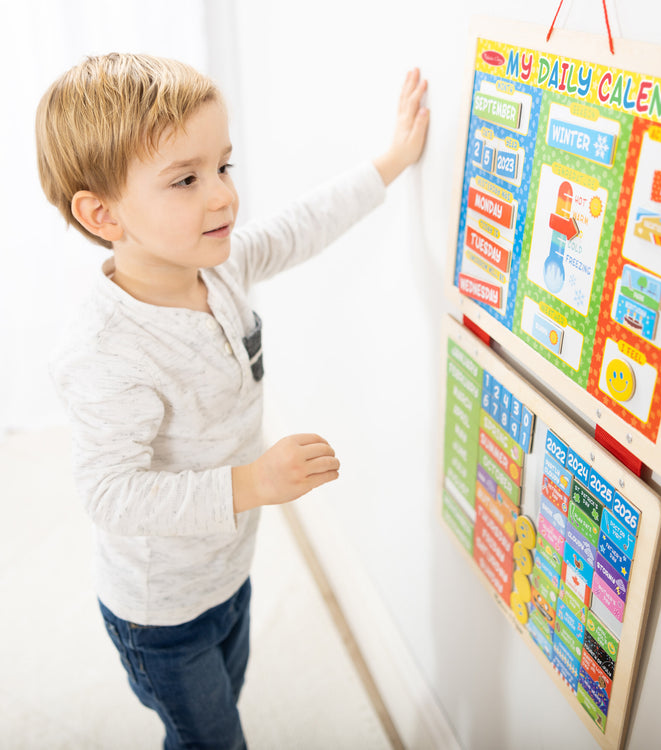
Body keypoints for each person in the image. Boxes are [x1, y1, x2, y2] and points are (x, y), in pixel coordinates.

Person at [36, 52, 429, 750]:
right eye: (185, 179)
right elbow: (111, 494)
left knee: (226, 699)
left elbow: (299, 226)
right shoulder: (106, 350)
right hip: (159, 612)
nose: (222, 195)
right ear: (103, 214)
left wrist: (392, 162)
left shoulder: (217, 266)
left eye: (223, 166)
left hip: (227, 571)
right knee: (212, 739)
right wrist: (252, 482)